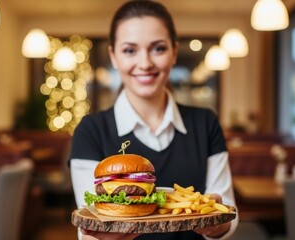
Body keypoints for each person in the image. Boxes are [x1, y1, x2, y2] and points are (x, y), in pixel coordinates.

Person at [69, 1, 238, 239]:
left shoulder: (206, 123)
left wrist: (216, 224)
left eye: (158, 48)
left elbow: (229, 211)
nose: (145, 63)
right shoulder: (90, 130)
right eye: (130, 50)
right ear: (113, 56)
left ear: (174, 52)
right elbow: (88, 225)